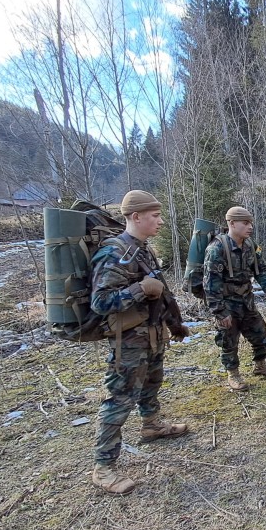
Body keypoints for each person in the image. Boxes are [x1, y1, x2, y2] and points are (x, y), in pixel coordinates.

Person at [90, 190, 191, 495]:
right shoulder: (113, 252)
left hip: (152, 335)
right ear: (136, 217)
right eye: (155, 216)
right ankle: (103, 468)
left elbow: (161, 292)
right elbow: (101, 302)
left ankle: (152, 425)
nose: (160, 221)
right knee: (120, 399)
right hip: (130, 341)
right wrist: (138, 290)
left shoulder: (143, 249)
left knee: (152, 383)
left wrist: (174, 323)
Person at [204, 206, 266, 390]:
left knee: (259, 331)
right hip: (227, 303)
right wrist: (220, 312)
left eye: (250, 223)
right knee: (229, 339)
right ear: (231, 224)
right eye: (245, 223)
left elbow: (260, 270)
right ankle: (233, 374)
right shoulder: (217, 248)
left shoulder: (250, 246)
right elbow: (210, 285)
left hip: (247, 301)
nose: (250, 227)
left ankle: (260, 365)